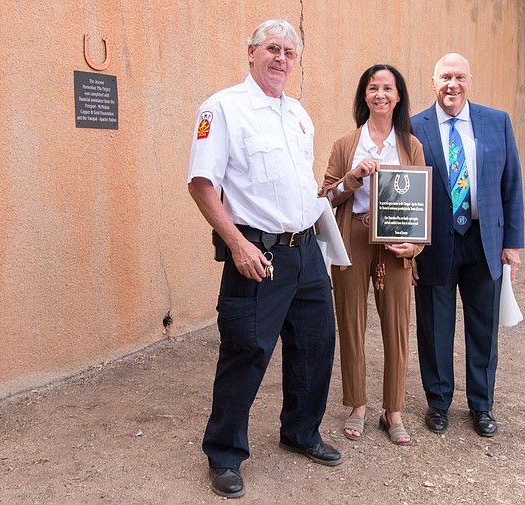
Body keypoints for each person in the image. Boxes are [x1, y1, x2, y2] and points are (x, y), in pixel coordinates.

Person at [187, 20, 341, 499]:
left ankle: (301, 432)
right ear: (251, 53)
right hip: (258, 253)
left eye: (289, 53)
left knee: (316, 345)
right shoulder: (223, 108)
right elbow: (201, 184)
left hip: (306, 250)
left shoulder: (297, 113)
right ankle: (225, 454)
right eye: (272, 49)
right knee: (246, 350)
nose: (281, 58)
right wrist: (236, 243)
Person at [411, 53, 524, 438]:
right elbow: (406, 191)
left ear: (469, 81)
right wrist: (409, 246)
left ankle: (481, 405)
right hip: (434, 245)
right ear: (433, 82)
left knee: (483, 328)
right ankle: (438, 403)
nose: (452, 85)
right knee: (434, 327)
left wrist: (513, 243)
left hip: (484, 240)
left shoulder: (497, 122)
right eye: (445, 77)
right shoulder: (412, 128)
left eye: (459, 77)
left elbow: (511, 185)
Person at [319, 64, 425, 446]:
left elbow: (421, 207)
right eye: (373, 88)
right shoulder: (346, 144)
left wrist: (414, 247)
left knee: (397, 325)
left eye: (388, 88)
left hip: (396, 244)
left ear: (398, 97)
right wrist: (353, 176)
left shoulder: (410, 145)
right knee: (350, 321)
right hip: (352, 237)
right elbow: (325, 198)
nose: (380, 94)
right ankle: (357, 405)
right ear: (364, 96)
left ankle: (392, 410)